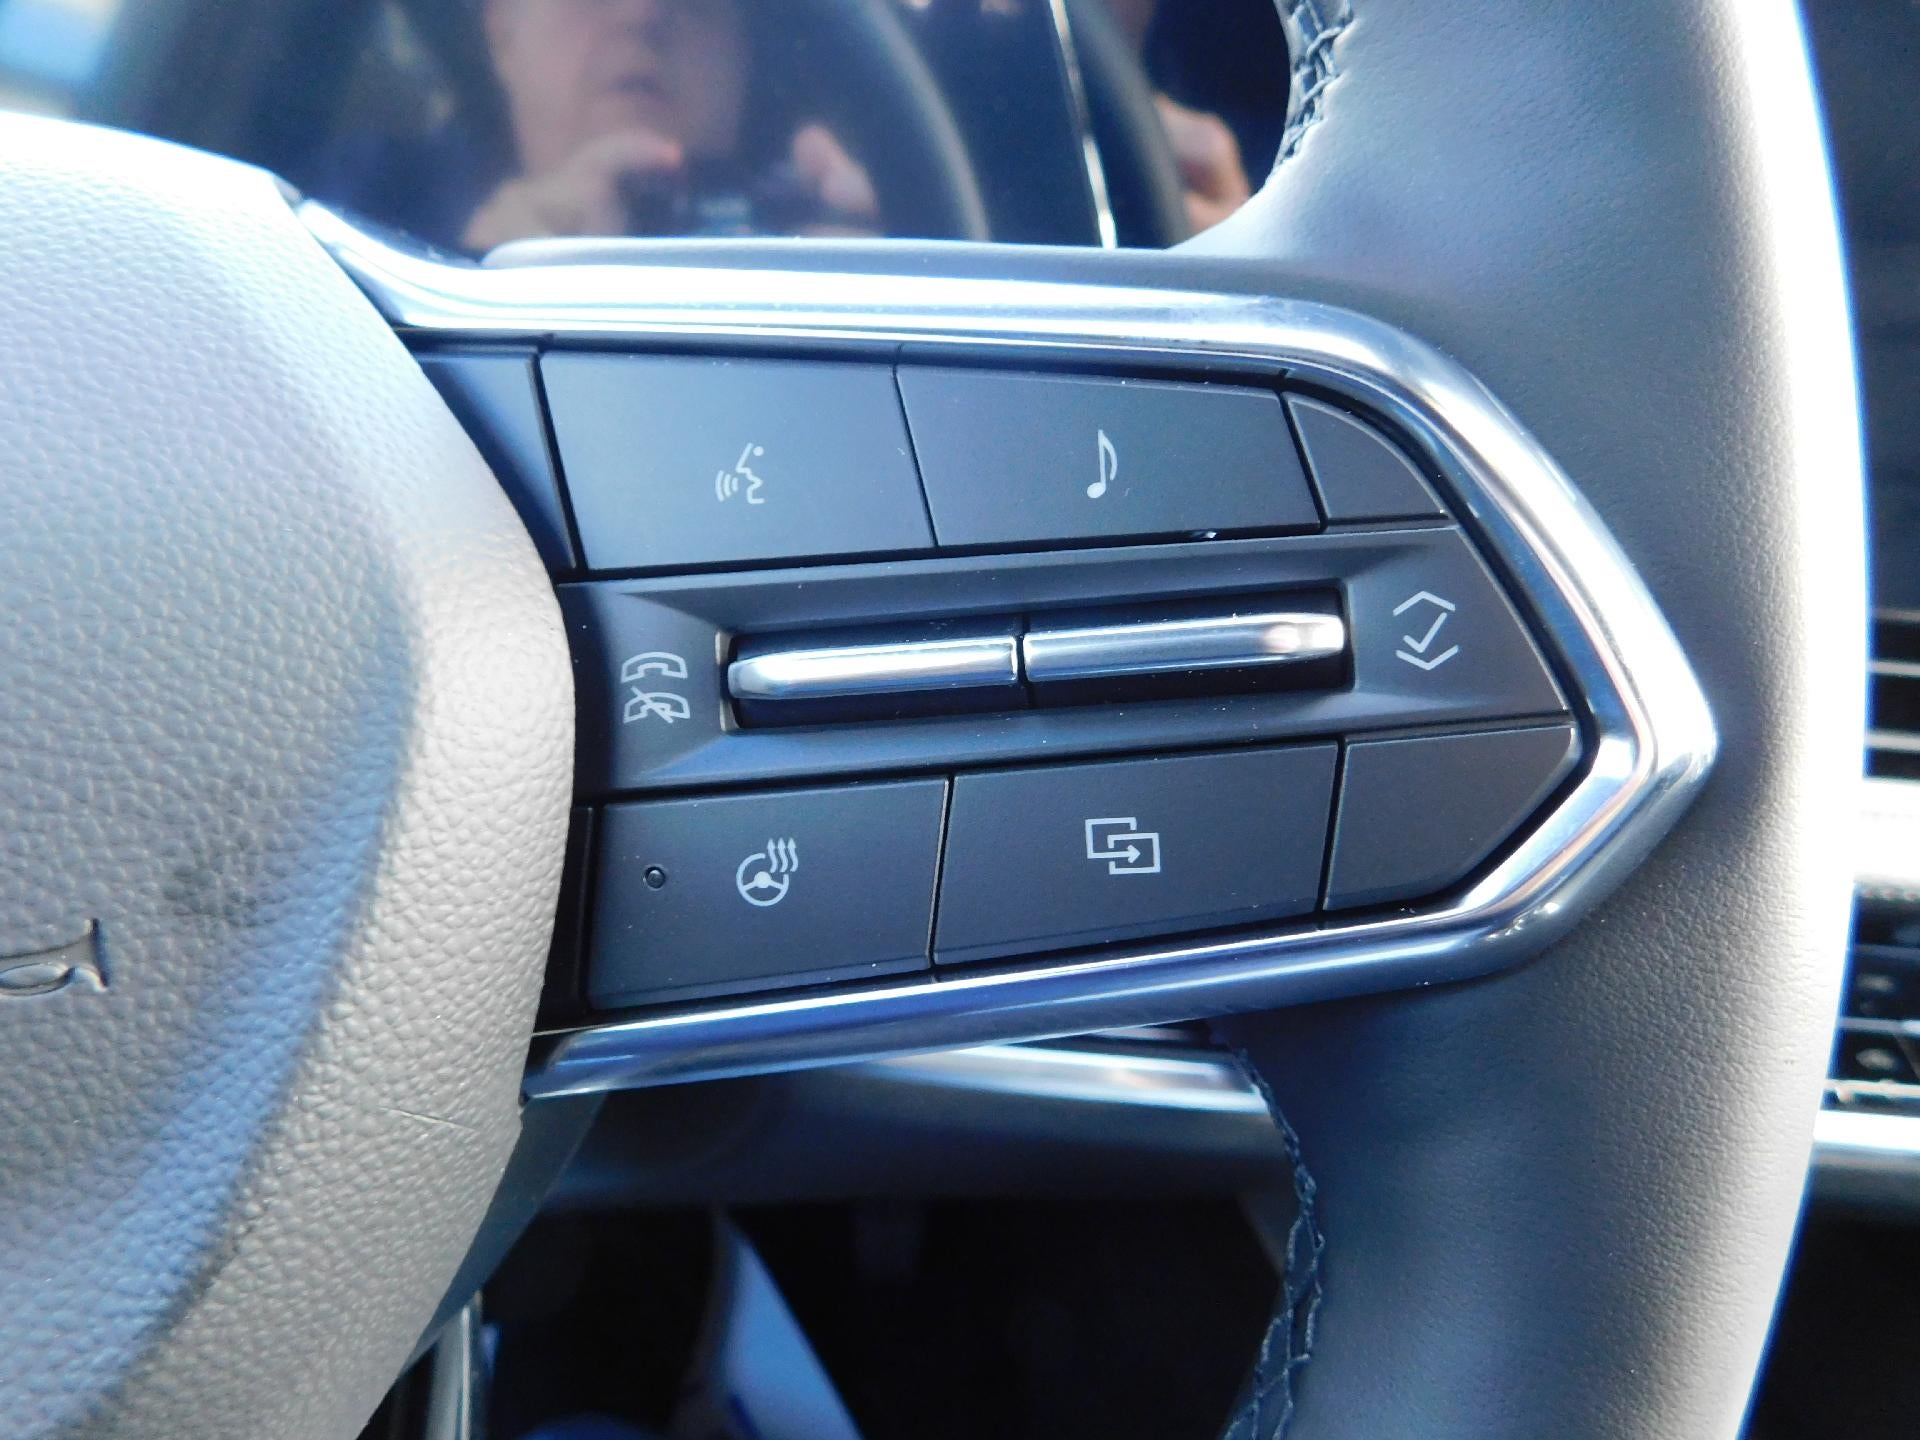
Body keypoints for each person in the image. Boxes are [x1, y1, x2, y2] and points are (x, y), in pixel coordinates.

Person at [463, 0, 878, 250]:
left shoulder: (816, 245)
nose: (644, 11)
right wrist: (485, 279)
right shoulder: (431, 282)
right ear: (502, 30)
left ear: (745, 55)